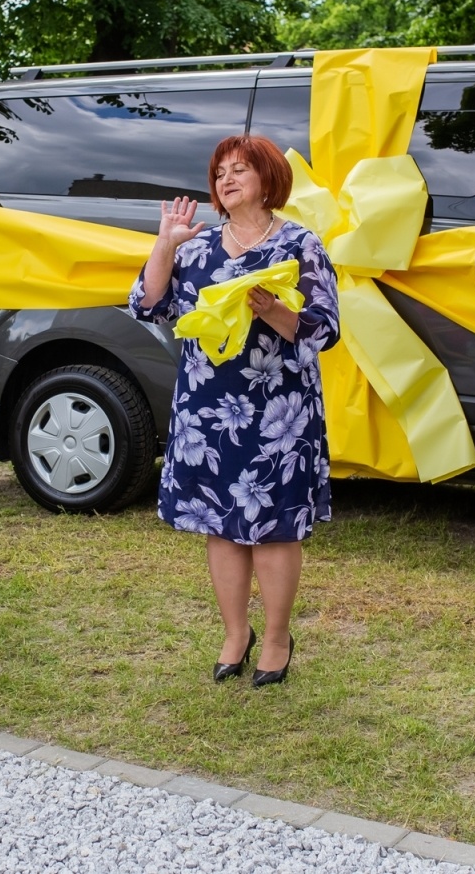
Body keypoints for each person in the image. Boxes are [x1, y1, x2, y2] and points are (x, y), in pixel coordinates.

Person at [131, 135, 339, 687]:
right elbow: (146, 304)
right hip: (208, 411)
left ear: (268, 178)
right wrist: (165, 244)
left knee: (273, 529)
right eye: (219, 172)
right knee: (219, 524)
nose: (226, 180)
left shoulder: (300, 245)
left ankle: (275, 638)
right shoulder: (196, 248)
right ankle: (234, 633)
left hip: (279, 412)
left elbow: (325, 329)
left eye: (239, 169)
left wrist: (273, 311)